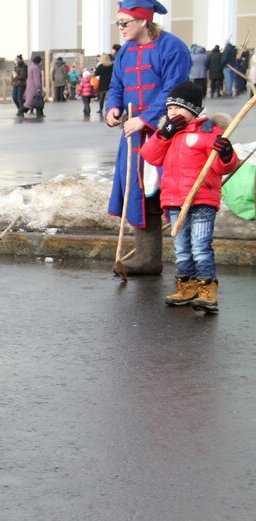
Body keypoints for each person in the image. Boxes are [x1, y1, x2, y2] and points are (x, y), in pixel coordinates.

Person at [104, 0, 190, 277]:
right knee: (138, 193)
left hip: (165, 132)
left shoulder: (172, 47)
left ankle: (191, 264)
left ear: (143, 21)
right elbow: (117, 85)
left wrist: (145, 119)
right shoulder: (126, 51)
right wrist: (112, 108)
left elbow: (174, 89)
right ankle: (147, 258)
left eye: (124, 23)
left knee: (172, 194)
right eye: (118, 23)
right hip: (134, 135)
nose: (120, 29)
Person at [140, 81, 237, 313]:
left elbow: (225, 166)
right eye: (169, 108)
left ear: (193, 110)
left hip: (202, 199)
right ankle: (186, 285)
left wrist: (225, 153)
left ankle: (207, 289)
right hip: (174, 200)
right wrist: (163, 134)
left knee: (200, 246)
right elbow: (150, 156)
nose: (172, 112)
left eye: (178, 107)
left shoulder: (208, 131)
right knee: (181, 247)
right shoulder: (168, 133)